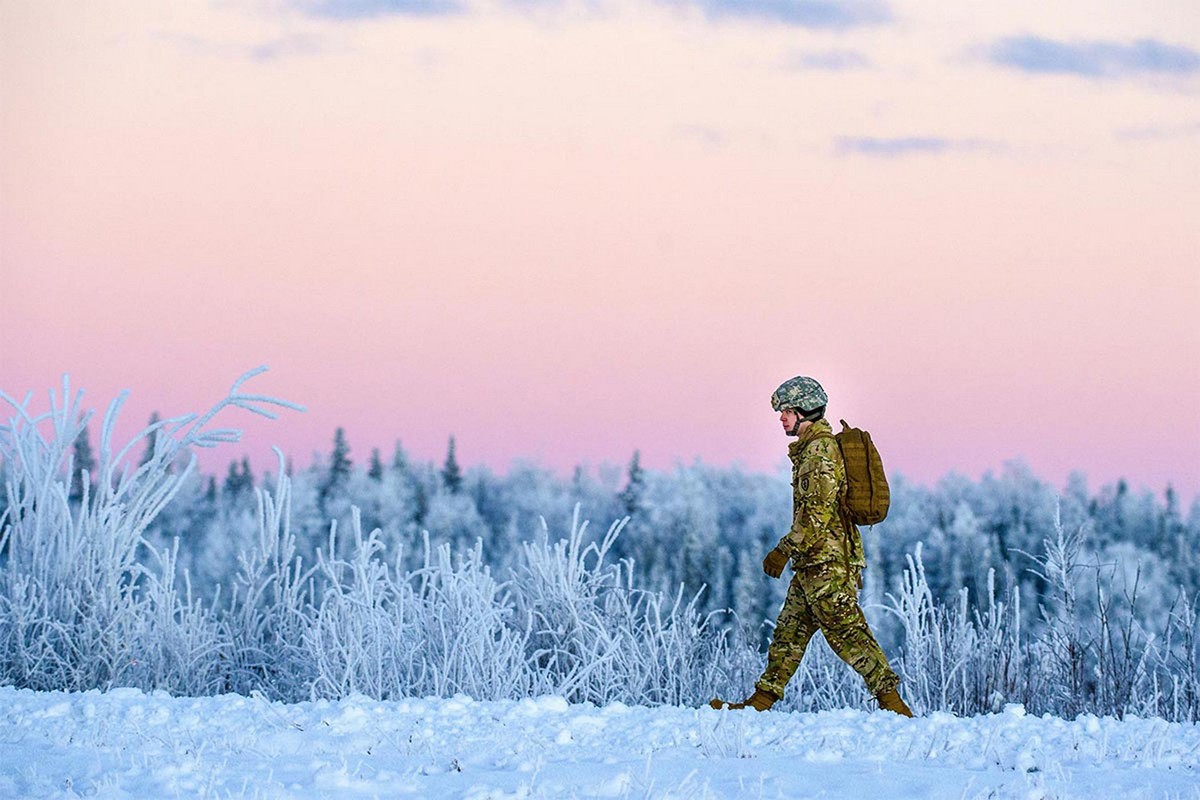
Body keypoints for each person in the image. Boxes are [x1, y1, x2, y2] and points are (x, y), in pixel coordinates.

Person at [711, 375, 913, 716]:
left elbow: (816, 513)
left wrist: (783, 549)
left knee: (848, 634)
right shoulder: (809, 450)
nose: (781, 418)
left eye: (786, 411)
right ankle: (759, 704)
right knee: (788, 634)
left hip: (828, 564)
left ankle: (895, 706)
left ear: (804, 411)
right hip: (813, 562)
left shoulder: (819, 452)